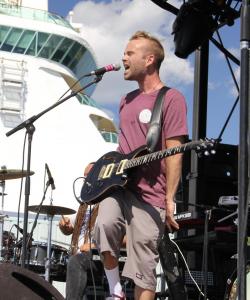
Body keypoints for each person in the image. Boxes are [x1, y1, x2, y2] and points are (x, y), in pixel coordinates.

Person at [93, 30, 188, 300]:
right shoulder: (125, 101)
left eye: (129, 53)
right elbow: (123, 149)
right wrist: (101, 167)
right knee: (104, 225)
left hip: (151, 197)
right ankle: (115, 290)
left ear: (149, 60)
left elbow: (174, 153)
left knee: (143, 270)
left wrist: (169, 200)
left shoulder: (171, 98)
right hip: (120, 186)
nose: (123, 58)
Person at [59, 203, 99, 300]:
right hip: (79, 254)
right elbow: (68, 228)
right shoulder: (83, 206)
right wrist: (63, 225)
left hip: (98, 255)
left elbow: (120, 237)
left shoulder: (107, 204)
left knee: (75, 262)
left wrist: (94, 246)